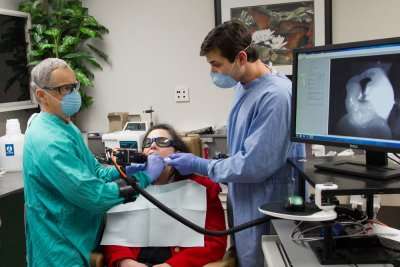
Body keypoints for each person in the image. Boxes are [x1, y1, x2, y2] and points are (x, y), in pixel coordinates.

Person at [166, 20, 304, 267]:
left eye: (216, 64)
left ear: (241, 57)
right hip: (246, 202)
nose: (213, 72)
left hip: (268, 204)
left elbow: (254, 165)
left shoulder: (277, 96)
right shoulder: (245, 87)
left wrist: (201, 165)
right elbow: (246, 147)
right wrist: (220, 162)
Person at [23, 58, 165, 267]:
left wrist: (122, 171)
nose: (74, 94)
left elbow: (94, 171)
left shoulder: (64, 124)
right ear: (41, 95)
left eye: (75, 86)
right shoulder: (48, 141)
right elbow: (94, 196)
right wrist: (143, 178)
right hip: (60, 249)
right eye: (65, 89)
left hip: (77, 238)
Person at [103, 124, 227, 267]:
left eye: (162, 141)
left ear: (177, 152)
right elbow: (114, 235)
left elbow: (215, 243)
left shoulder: (202, 188)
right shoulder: (129, 186)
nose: (153, 146)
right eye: (147, 143)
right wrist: (125, 262)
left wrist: (171, 265)